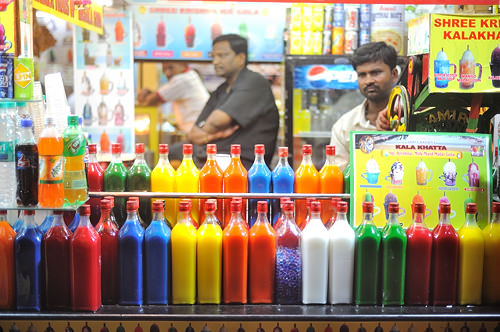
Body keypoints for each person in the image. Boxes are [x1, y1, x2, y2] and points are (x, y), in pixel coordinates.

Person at [179, 34, 279, 169]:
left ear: (241, 58)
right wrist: (216, 133)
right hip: (213, 160)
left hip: (243, 166)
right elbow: (194, 133)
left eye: (222, 55)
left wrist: (210, 131)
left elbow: (216, 122)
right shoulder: (221, 89)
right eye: (213, 56)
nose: (215, 61)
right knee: (172, 153)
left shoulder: (254, 82)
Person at [330, 42, 398, 170]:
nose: (368, 81)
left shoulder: (408, 116)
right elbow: (339, 176)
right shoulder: (344, 127)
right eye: (362, 75)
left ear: (394, 75)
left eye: (376, 73)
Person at [137, 61, 209, 133]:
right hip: (198, 129)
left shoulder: (182, 79)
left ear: (183, 64)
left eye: (171, 68)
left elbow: (150, 101)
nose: (167, 73)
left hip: (197, 131)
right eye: (164, 69)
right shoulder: (190, 75)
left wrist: (146, 94)